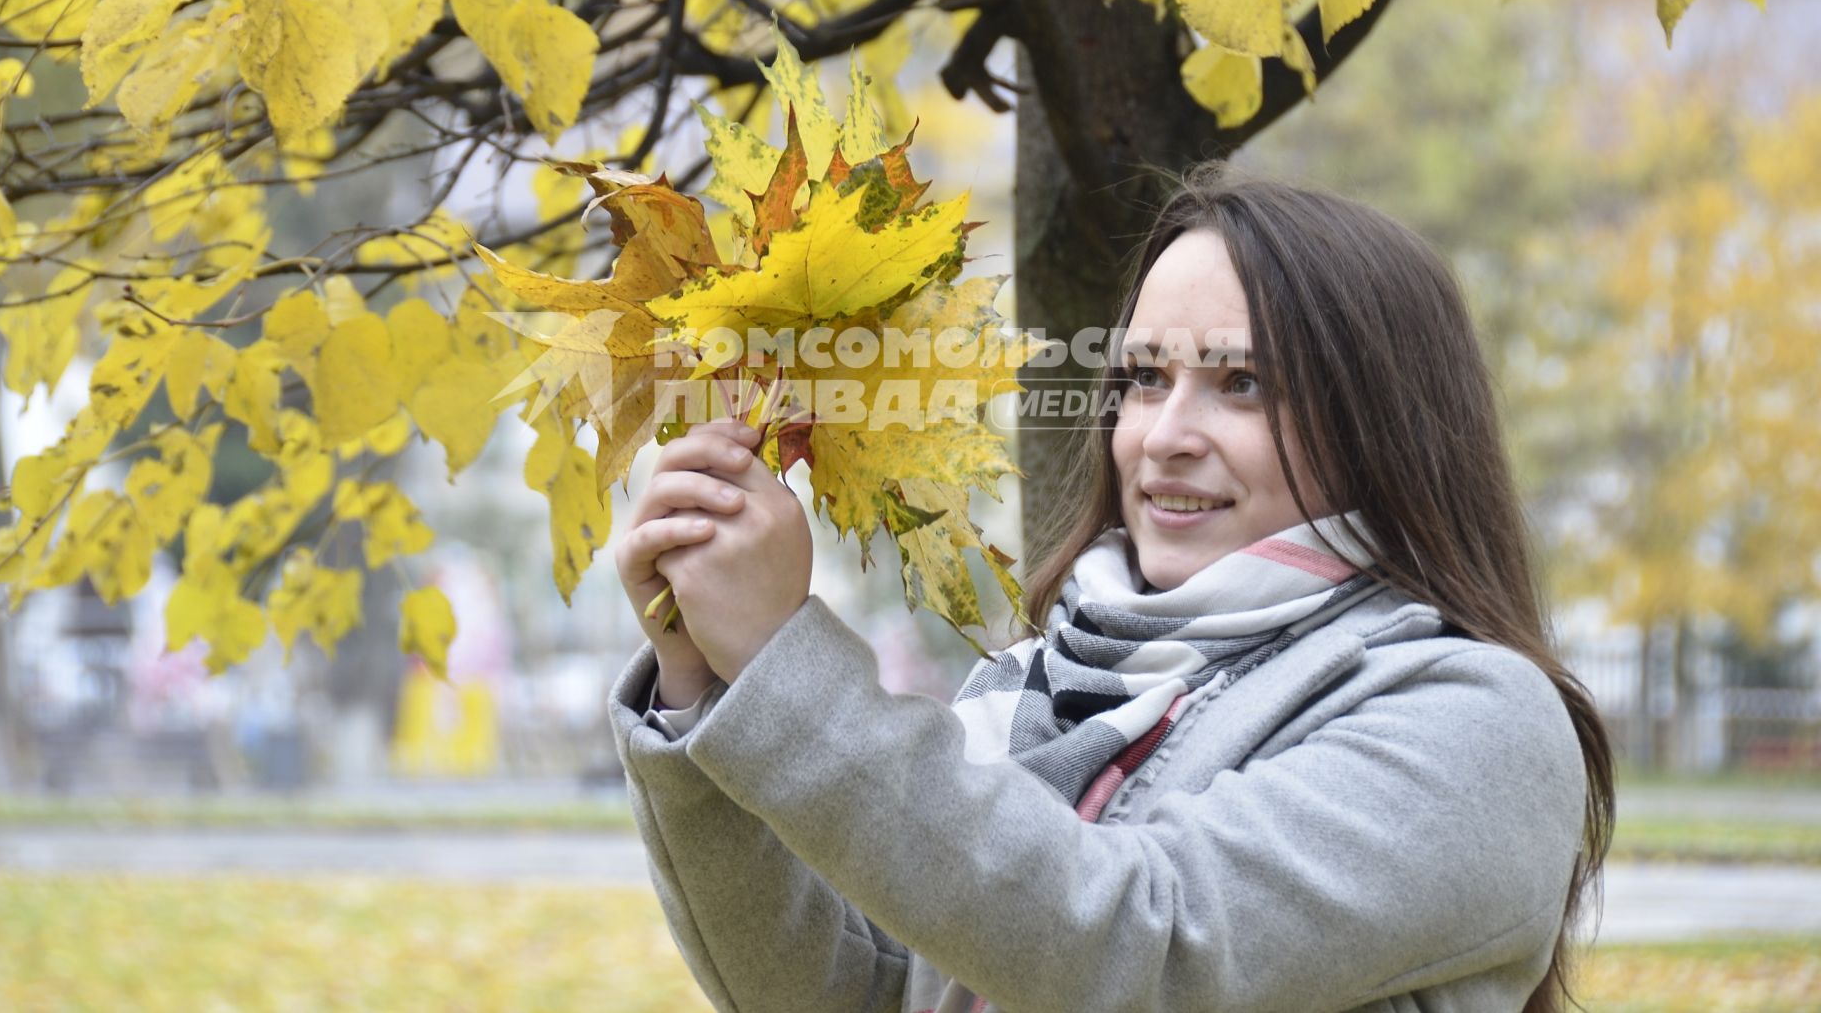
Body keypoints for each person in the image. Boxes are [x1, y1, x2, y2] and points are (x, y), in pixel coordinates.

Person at [606, 167, 1615, 1013]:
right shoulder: (1028, 688)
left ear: (1384, 421)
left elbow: (1144, 948)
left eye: (1243, 383)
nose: (1164, 432)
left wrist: (787, 657)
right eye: (1143, 377)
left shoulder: (1475, 720)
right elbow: (849, 996)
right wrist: (712, 682)